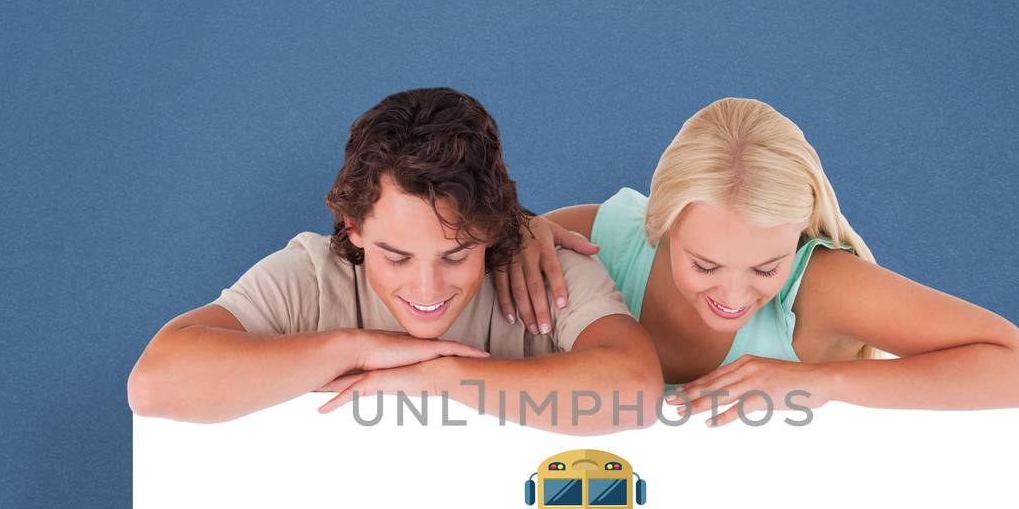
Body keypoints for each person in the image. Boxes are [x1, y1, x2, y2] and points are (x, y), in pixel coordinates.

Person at [494, 97, 1019, 424]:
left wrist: (826, 381)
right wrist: (515, 233)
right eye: (705, 265)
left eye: (767, 268)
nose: (734, 296)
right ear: (660, 227)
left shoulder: (823, 288)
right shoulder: (601, 239)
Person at [127, 88, 661, 430]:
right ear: (353, 227)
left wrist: (439, 379)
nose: (426, 290)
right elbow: (154, 386)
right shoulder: (312, 277)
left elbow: (635, 391)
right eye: (396, 256)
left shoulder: (541, 271)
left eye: (456, 256)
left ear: (496, 228)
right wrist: (354, 347)